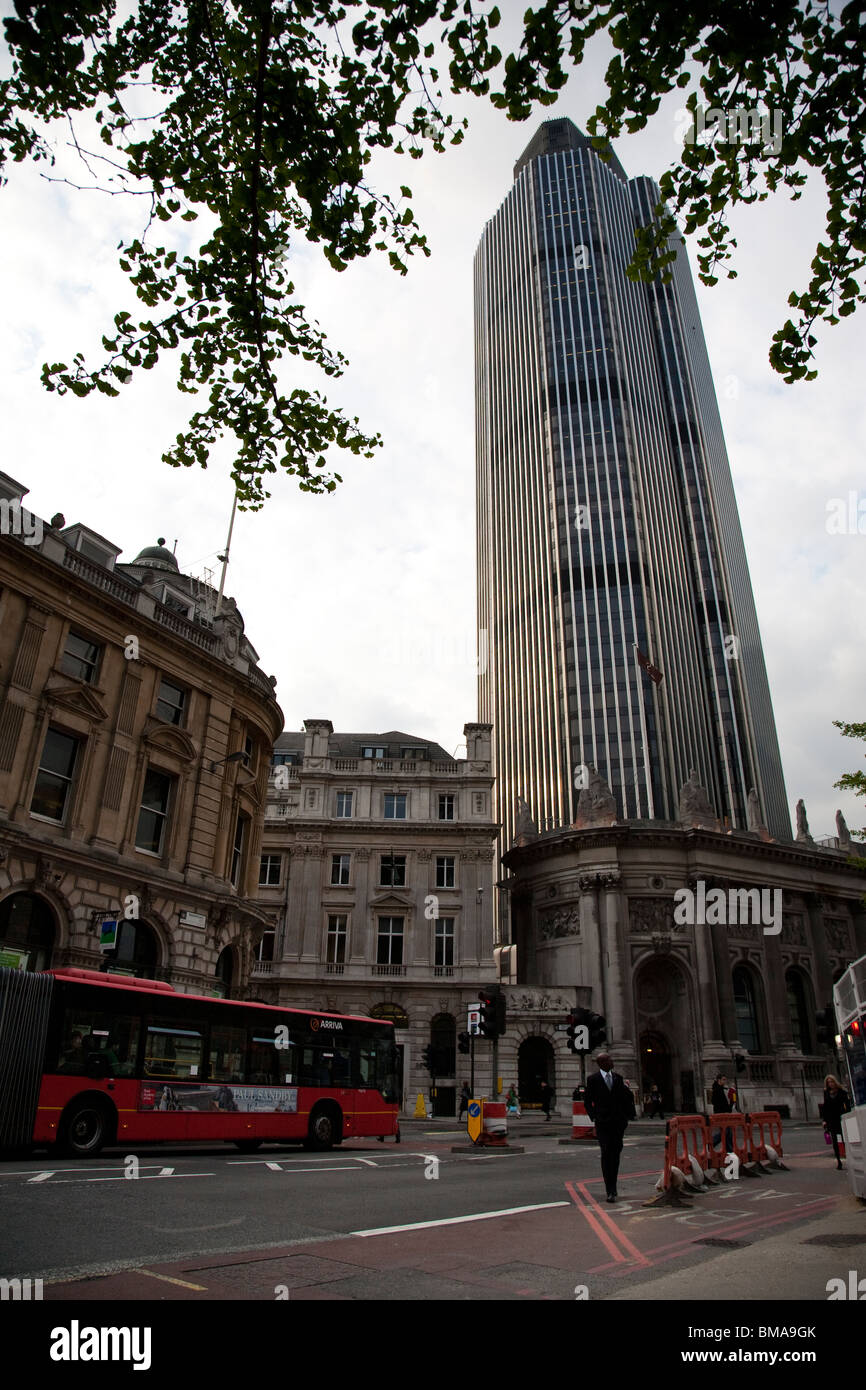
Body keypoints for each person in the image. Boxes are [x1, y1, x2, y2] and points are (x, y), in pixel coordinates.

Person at [584, 1053, 635, 1202]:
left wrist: (626, 1117)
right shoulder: (593, 1080)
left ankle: (614, 1185)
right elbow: (588, 1101)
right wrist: (594, 1116)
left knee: (616, 1154)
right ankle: (610, 1190)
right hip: (603, 1123)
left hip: (618, 1123)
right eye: (609, 1059)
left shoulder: (618, 1078)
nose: (613, 1061)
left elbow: (626, 1099)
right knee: (606, 1154)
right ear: (602, 1063)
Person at [821, 1074, 851, 1170]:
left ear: (835, 1082)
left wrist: (846, 1115)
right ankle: (839, 1162)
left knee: (844, 1139)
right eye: (828, 1082)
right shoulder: (826, 1093)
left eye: (832, 1081)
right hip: (831, 1119)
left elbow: (847, 1105)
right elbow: (825, 1107)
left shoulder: (842, 1092)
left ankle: (849, 1158)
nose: (830, 1084)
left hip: (841, 1118)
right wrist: (824, 1120)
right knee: (834, 1141)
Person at [711, 1072, 733, 1151]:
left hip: (724, 1114)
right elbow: (715, 1102)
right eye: (723, 1080)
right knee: (725, 1131)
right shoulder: (717, 1090)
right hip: (721, 1114)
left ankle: (730, 1150)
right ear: (718, 1080)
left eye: (725, 1080)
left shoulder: (721, 1089)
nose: (725, 1081)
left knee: (728, 1132)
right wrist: (727, 1108)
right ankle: (711, 1142)